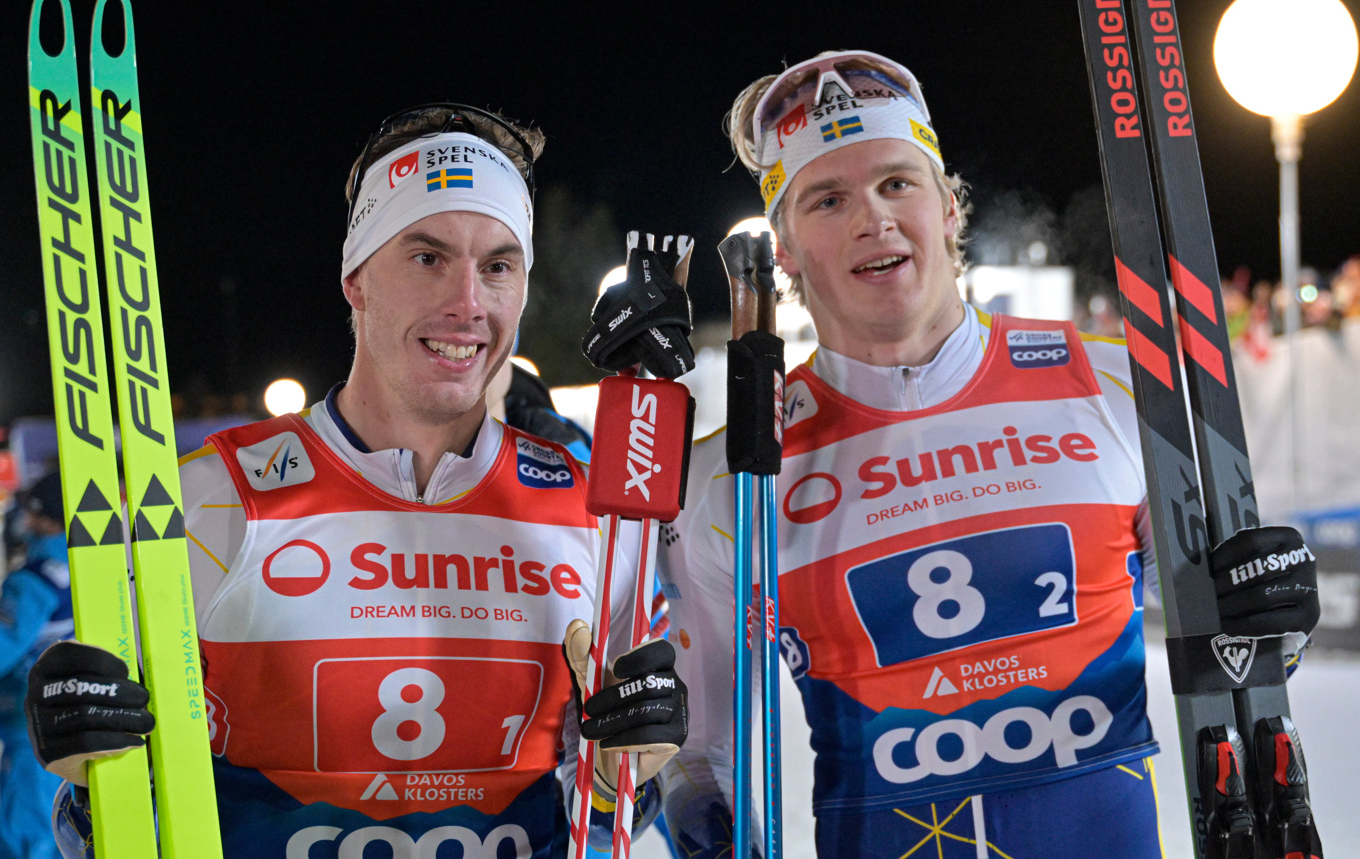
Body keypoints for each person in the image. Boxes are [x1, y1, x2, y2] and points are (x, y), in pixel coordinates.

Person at [657, 51, 1320, 857]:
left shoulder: (1113, 386)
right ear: (786, 250)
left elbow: (1227, 646)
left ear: (948, 208)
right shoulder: (733, 477)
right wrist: (705, 829)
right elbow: (699, 753)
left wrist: (1272, 610)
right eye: (828, 199)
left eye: (897, 183)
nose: (874, 219)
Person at [24, 104, 686, 858]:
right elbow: (108, 828)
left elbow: (610, 819)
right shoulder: (209, 500)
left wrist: (619, 783)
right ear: (356, 278)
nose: (468, 304)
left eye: (498, 266)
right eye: (428, 257)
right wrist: (91, 777)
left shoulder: (595, 513)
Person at [0, 473, 72, 859]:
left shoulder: (36, 578)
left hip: (31, 723)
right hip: (80, 716)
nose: (27, 522)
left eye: (34, 514)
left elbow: (3, 645)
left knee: (25, 831)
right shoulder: (102, 568)